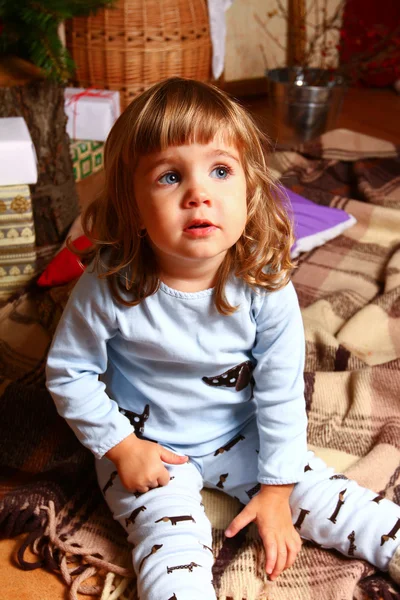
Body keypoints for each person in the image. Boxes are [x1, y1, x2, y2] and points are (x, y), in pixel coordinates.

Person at [46, 77, 400, 600]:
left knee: (339, 503)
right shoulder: (108, 282)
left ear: (249, 189)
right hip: (150, 449)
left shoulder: (264, 283)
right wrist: (121, 447)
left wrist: (277, 491)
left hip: (243, 435)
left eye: (219, 170)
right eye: (169, 176)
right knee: (172, 554)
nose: (198, 193)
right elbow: (68, 372)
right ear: (131, 205)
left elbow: (280, 392)